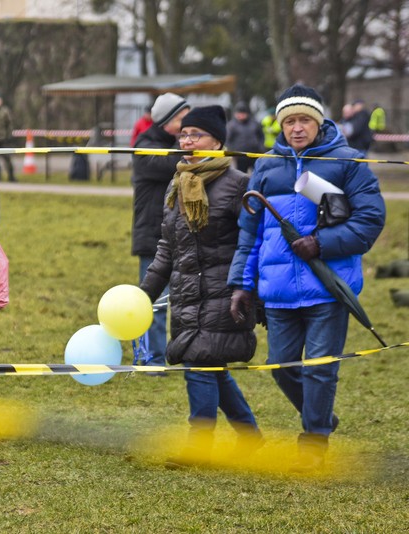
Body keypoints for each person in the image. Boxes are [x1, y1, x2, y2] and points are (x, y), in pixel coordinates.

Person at [229, 84, 385, 472]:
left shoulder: (349, 162)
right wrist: (242, 285)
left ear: (319, 122)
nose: (297, 128)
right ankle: (322, 417)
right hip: (278, 291)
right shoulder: (266, 166)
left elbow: (370, 220)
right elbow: (249, 233)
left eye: (304, 120)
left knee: (320, 368)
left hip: (328, 287)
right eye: (289, 121)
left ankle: (314, 441)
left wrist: (321, 243)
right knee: (281, 366)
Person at [140, 106, 261, 468]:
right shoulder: (178, 183)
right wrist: (144, 293)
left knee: (200, 361)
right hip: (187, 293)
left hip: (224, 293)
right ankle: (250, 435)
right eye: (184, 134)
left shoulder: (238, 183)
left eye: (197, 135)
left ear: (218, 142)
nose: (188, 141)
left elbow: (253, 242)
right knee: (209, 365)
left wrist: (247, 287)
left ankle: (199, 446)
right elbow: (167, 247)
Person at [131, 92, 190, 374]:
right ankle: (151, 359)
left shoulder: (173, 144)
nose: (188, 128)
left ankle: (181, 353)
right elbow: (173, 164)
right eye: (183, 120)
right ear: (167, 120)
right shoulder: (146, 147)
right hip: (153, 236)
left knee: (183, 299)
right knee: (152, 302)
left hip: (181, 235)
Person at [226, 101, 264, 173]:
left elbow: (261, 136)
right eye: (239, 113)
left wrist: (260, 147)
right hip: (240, 156)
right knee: (241, 175)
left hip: (255, 154)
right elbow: (228, 140)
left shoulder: (254, 123)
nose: (241, 115)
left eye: (243, 113)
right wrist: (232, 152)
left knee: (258, 173)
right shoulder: (231, 125)